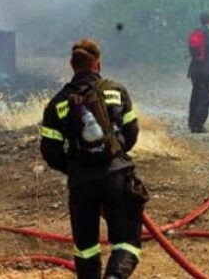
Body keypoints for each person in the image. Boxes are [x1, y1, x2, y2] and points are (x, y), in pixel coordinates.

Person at [40, 39, 149, 279]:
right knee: (127, 242)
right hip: (117, 176)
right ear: (97, 65)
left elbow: (50, 151)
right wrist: (114, 155)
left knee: (86, 248)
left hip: (81, 183)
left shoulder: (58, 103)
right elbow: (131, 133)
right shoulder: (116, 91)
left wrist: (74, 168)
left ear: (72, 65)